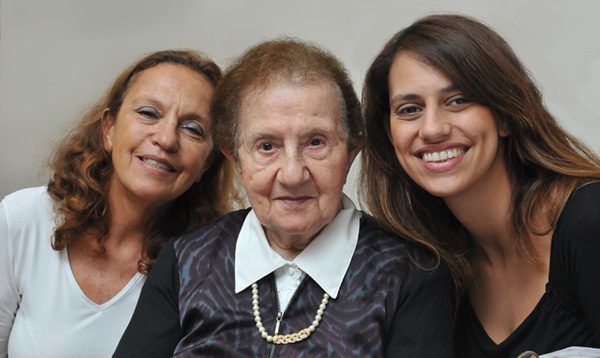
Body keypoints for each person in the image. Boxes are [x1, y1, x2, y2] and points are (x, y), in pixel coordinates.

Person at [113, 38, 455, 357]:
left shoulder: (413, 275)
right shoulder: (185, 260)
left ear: (350, 153)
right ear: (236, 159)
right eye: (266, 147)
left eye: (316, 142)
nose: (292, 174)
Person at [361, 14, 600, 357]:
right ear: (389, 133)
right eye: (410, 109)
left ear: (503, 115)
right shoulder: (427, 271)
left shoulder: (589, 221)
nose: (432, 129)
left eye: (457, 100)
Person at [0, 49, 235, 358]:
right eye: (149, 113)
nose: (166, 139)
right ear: (109, 129)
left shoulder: (212, 267)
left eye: (193, 129)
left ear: (207, 164)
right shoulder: (21, 219)